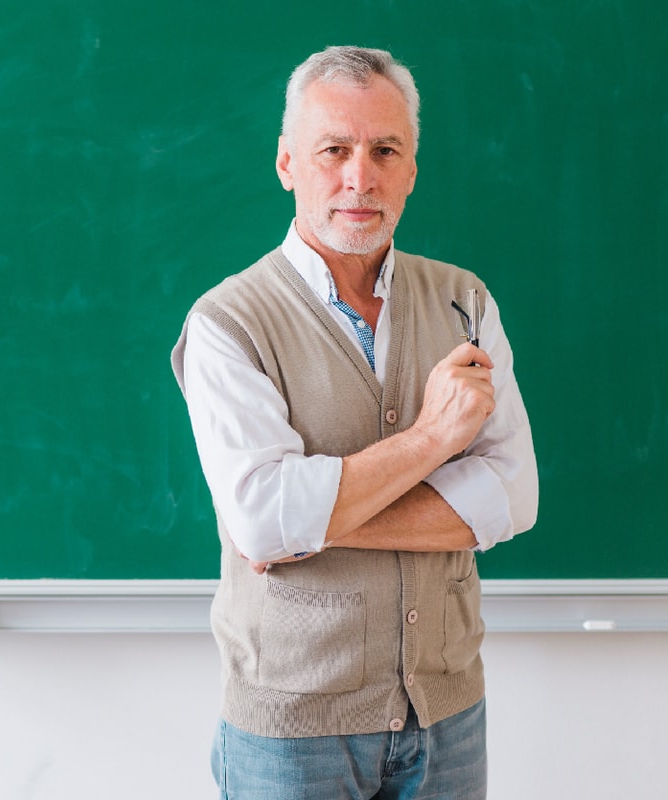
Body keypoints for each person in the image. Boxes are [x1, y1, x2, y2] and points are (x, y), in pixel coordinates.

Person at [170, 46, 538, 799]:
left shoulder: (463, 301)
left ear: (410, 169)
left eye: (384, 150)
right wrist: (434, 440)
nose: (358, 177)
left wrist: (310, 518)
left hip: (447, 714)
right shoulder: (228, 323)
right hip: (290, 731)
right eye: (333, 149)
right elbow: (264, 518)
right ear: (287, 164)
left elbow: (513, 496)